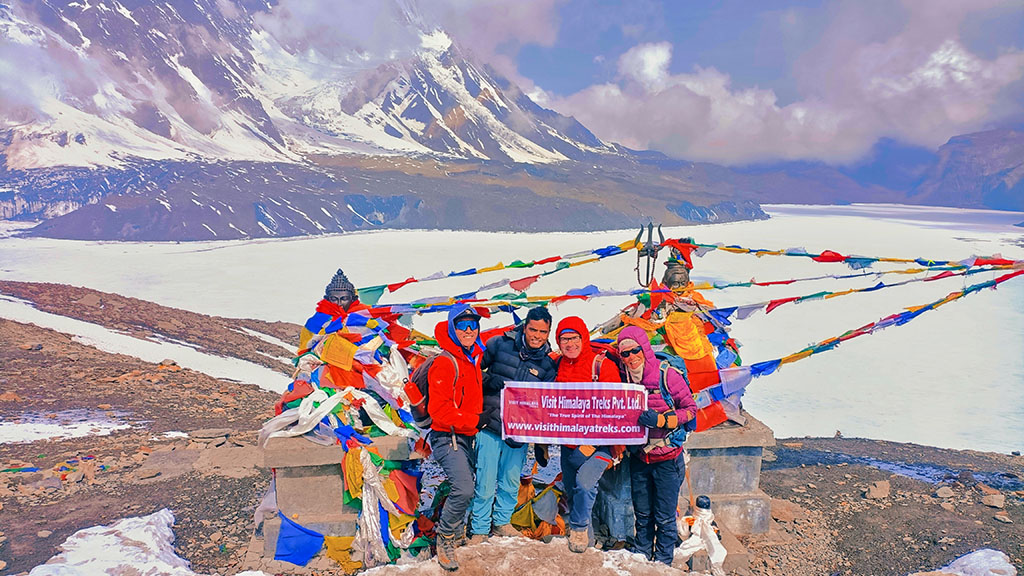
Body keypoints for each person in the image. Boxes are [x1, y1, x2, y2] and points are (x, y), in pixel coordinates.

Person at [470, 306, 557, 541]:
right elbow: (472, 369)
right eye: (533, 329)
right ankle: (479, 527)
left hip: (519, 432)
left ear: (548, 332)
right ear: (524, 327)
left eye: (542, 331)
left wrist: (541, 441)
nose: (537, 336)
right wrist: (489, 380)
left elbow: (546, 405)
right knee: (485, 480)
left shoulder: (548, 366)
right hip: (491, 423)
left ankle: (502, 521)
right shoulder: (499, 344)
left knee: (510, 480)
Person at [617, 325, 697, 565]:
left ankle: (663, 562)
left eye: (635, 351)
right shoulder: (624, 379)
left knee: (664, 516)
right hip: (640, 458)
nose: (631, 358)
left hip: (667, 459)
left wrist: (662, 420)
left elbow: (691, 410)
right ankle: (641, 556)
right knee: (642, 514)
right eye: (625, 354)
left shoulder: (667, 375)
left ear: (645, 349)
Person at [552, 316, 623, 553]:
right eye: (564, 339)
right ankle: (587, 545)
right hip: (569, 443)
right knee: (573, 492)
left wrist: (594, 442)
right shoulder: (558, 364)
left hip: (601, 445)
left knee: (584, 485)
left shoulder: (601, 365)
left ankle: (580, 529)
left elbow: (616, 409)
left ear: (583, 337)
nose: (569, 344)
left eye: (574, 338)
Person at [426, 304, 486, 571]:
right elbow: (438, 410)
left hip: (465, 436)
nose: (469, 330)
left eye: (473, 325)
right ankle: (445, 537)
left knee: (462, 485)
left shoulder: (472, 358)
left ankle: (454, 527)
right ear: (452, 327)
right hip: (446, 436)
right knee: (464, 487)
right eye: (462, 325)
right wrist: (475, 420)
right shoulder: (445, 362)